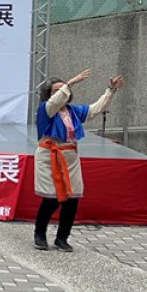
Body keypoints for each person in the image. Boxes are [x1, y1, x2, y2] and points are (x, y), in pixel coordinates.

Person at [33, 70, 123, 252]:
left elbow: (96, 108)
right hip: (49, 157)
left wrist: (110, 90)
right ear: (49, 94)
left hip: (70, 157)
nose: (61, 93)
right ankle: (40, 234)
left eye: (63, 89)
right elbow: (54, 103)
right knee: (50, 200)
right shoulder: (45, 110)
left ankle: (62, 238)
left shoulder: (73, 112)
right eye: (56, 91)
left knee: (71, 200)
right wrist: (71, 81)